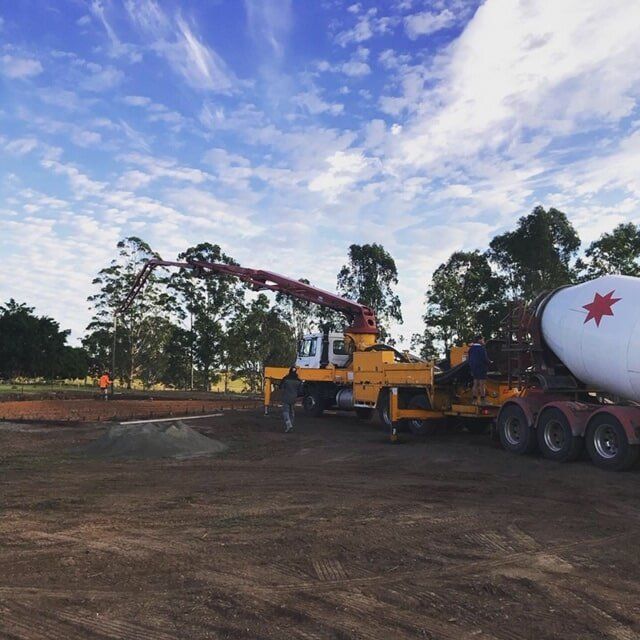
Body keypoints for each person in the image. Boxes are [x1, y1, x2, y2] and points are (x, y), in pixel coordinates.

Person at [468, 335, 490, 404]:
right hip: (481, 368)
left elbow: (469, 358)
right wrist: (490, 362)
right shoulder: (481, 349)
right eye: (483, 340)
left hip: (473, 368)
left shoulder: (471, 349)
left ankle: (474, 400)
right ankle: (483, 400)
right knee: (482, 384)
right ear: (479, 340)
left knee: (475, 383)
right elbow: (485, 359)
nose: (484, 341)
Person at [280, 366, 303, 433]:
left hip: (286, 397)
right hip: (294, 398)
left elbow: (281, 387)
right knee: (292, 411)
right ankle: (291, 424)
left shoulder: (285, 379)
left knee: (285, 411)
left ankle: (288, 424)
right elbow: (301, 391)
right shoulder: (298, 380)